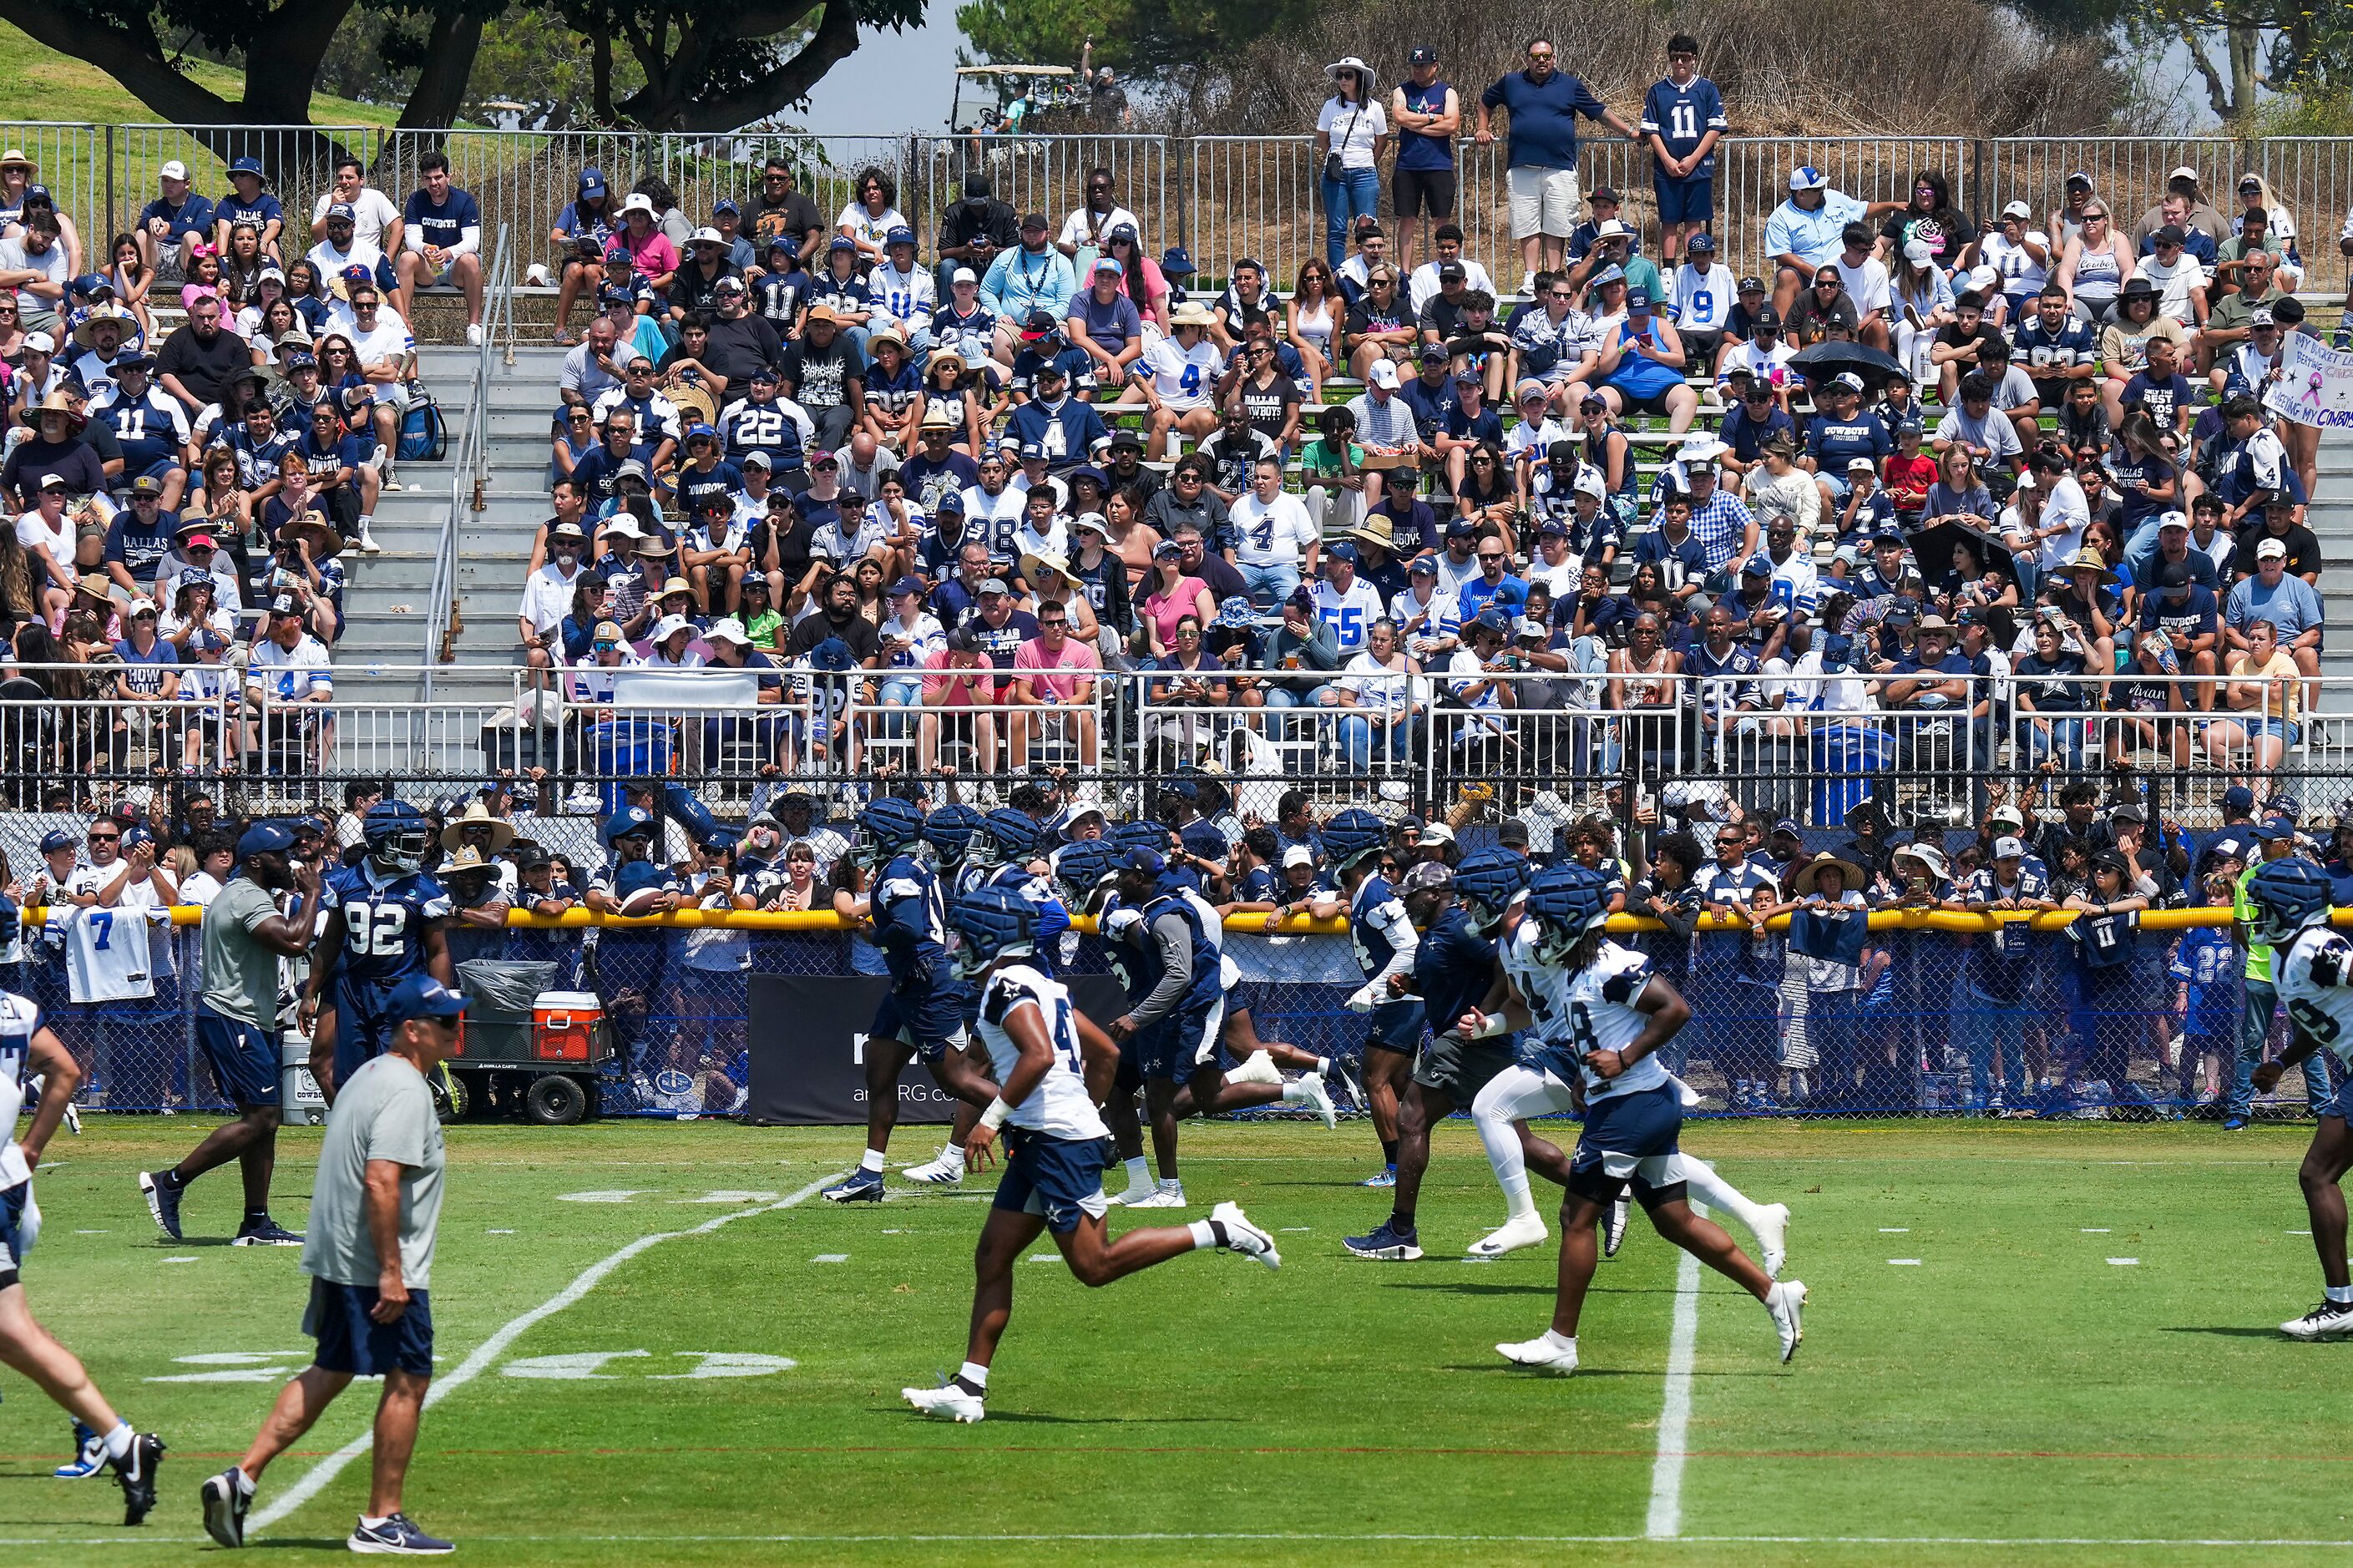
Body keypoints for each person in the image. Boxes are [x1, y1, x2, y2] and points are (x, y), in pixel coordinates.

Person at [900, 887, 1279, 1425]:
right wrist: (1088, 1109)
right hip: (1045, 1137)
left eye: (965, 933)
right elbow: (1104, 1051)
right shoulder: (1037, 982)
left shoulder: (1008, 987)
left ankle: (1219, 1230)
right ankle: (968, 1387)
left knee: (1095, 1266)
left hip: (1056, 1142)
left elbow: (1039, 1054)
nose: (957, 943)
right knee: (993, 1257)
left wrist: (992, 1121)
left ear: (991, 936)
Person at [1461, 864, 1804, 1373]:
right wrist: (1585, 1073)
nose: (1541, 931)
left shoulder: (1610, 965)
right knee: (1676, 1221)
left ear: (1572, 921)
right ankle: (1776, 1294)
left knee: (1576, 1218)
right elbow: (1587, 1025)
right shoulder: (1574, 966)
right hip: (1628, 1101)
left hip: (1631, 1104)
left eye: (1548, 921)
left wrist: (1623, 1059)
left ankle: (1560, 1343)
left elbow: (1675, 1009)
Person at [200, 973, 467, 1554]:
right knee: (409, 1378)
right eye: (445, 1021)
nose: (456, 1028)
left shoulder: (371, 1075)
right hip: (374, 1265)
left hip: (339, 1257)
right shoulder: (404, 1089)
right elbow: (381, 1180)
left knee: (331, 1369)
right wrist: (392, 1272)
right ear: (412, 1030)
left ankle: (240, 1479)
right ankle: (381, 1519)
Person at [0, 984, 167, 1525]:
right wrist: (28, 1149)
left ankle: (110, 1436)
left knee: (12, 1331)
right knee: (11, 1328)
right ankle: (113, 1438)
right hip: (10, 1184)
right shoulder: (18, 1010)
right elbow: (66, 1070)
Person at [135, 821, 321, 1248]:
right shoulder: (245, 898)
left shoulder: (243, 893)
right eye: (281, 855)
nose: (290, 861)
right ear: (255, 862)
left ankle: (255, 1223)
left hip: (243, 1019)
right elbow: (294, 943)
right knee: (262, 1118)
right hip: (234, 1019)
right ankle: (171, 1181)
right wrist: (311, 894)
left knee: (263, 1124)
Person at [821, 797, 1000, 1202]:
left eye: (867, 831)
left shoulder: (899, 870)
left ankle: (1050, 1130)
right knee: (878, 1072)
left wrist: (875, 934)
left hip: (925, 981)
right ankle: (869, 1174)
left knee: (956, 1080)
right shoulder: (910, 867)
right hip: (908, 982)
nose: (859, 839)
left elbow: (907, 926)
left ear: (887, 835)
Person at [2242, 857, 2353, 1340]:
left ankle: (2341, 1304)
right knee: (2317, 1175)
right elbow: (2320, 1019)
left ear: (2286, 909)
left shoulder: (2314, 946)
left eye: (2263, 904)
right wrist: (2283, 1062)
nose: (2256, 914)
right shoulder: (2290, 954)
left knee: (2317, 1174)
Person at [297, 800, 455, 1103]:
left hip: (402, 991)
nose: (417, 849)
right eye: (408, 842)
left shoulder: (424, 889)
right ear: (381, 842)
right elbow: (330, 943)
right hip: (354, 990)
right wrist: (310, 994)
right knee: (351, 1082)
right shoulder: (344, 882)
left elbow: (438, 952)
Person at [1475, 37, 1634, 291]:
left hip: (1560, 166)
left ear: (1554, 59)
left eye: (1547, 56)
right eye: (1536, 56)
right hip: (1522, 167)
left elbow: (1598, 111)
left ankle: (1552, 276)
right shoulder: (1511, 82)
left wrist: (1629, 132)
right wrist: (1482, 128)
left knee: (1556, 224)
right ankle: (1530, 277)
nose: (1541, 61)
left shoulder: (1569, 85)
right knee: (1526, 222)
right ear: (1526, 59)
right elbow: (1485, 102)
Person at [1640, 35, 1725, 264]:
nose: (1680, 63)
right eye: (1675, 58)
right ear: (1669, 60)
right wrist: (1667, 160)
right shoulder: (1658, 91)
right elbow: (1651, 130)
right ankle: (1668, 268)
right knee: (1669, 220)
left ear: (1693, 60)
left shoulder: (1707, 89)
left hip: (1698, 167)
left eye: (1685, 58)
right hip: (1666, 168)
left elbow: (1715, 127)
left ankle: (1691, 265)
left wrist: (1694, 158)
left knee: (1693, 221)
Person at [1389, 47, 1460, 267]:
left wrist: (1416, 125)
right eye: (1415, 66)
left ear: (1434, 67)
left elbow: (1452, 124)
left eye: (1423, 66)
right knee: (1407, 220)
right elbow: (1399, 116)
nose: (1418, 70)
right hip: (1408, 165)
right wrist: (1432, 118)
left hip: (1439, 164)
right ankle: (1406, 272)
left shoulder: (1447, 92)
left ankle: (1447, 266)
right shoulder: (1402, 91)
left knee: (1442, 220)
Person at [1315, 58, 1389, 271]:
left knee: (1366, 227)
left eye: (1348, 75)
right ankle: (1338, 276)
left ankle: (1367, 272)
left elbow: (1381, 139)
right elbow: (1323, 137)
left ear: (1359, 79)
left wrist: (1369, 161)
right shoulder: (1331, 106)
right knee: (1337, 228)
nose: (1343, 80)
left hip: (1364, 172)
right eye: (1340, 76)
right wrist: (1334, 157)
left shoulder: (1375, 108)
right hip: (1336, 175)